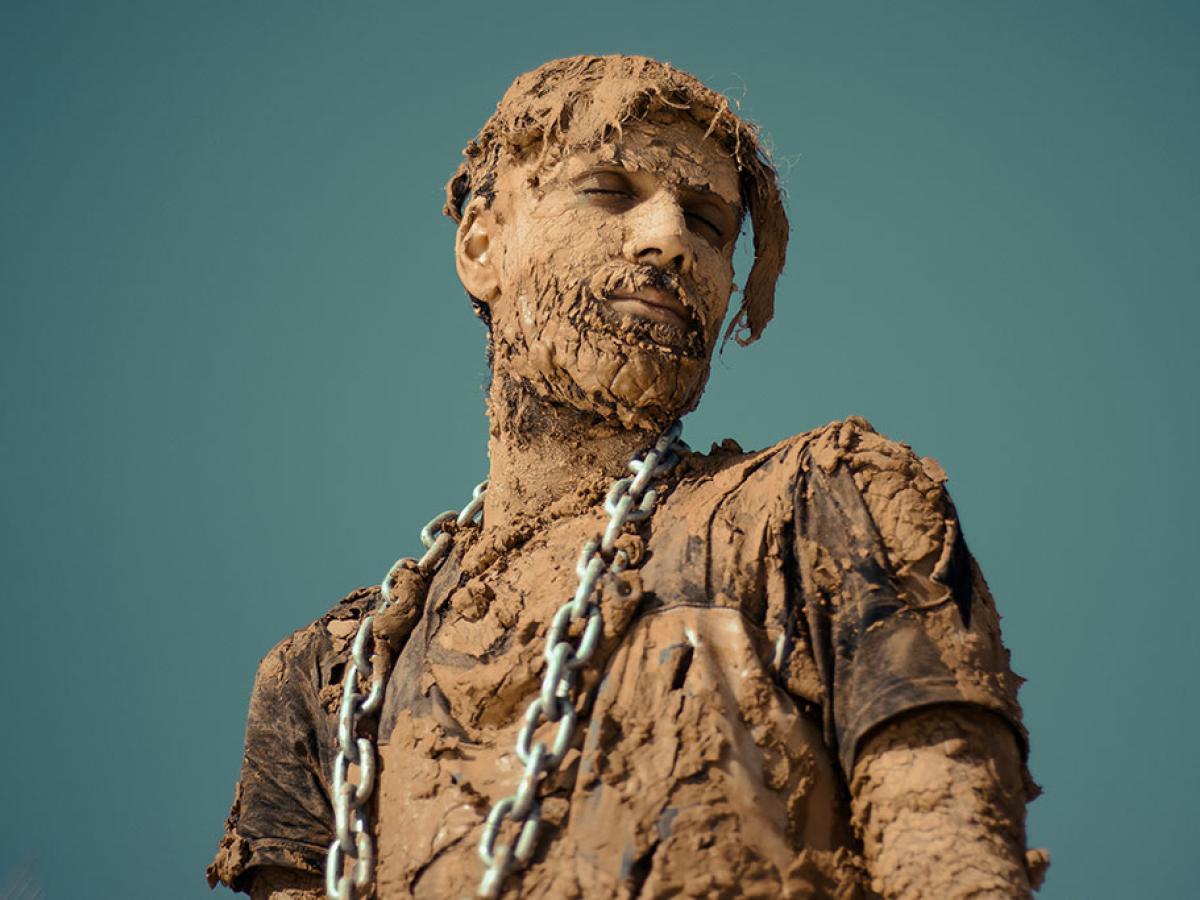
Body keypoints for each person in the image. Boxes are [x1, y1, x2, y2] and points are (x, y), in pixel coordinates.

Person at [208, 55, 1047, 899]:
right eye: (609, 190)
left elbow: (955, 864)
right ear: (481, 246)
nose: (670, 239)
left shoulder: (823, 504)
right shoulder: (329, 678)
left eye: (711, 224)